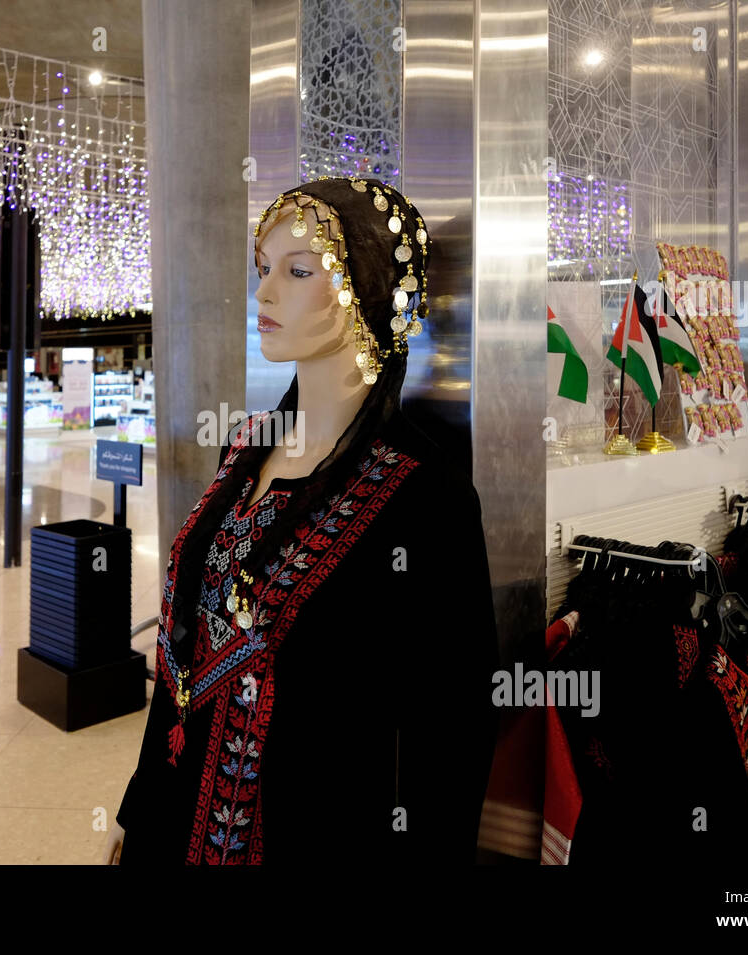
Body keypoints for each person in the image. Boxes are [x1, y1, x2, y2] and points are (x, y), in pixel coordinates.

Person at [106, 176, 498, 866]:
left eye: (297, 271)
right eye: (263, 271)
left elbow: (453, 734)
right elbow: (183, 653)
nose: (263, 294)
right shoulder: (245, 449)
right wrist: (138, 804)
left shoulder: (424, 492)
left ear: (368, 285)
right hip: (173, 826)